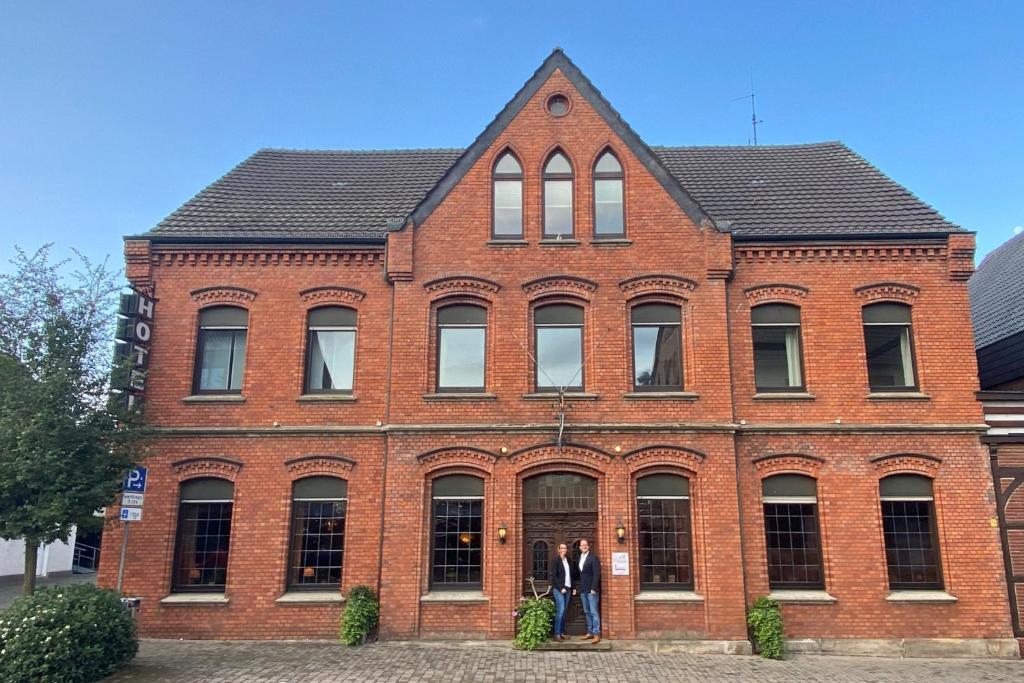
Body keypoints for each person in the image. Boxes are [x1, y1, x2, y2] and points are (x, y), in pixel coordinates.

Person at [549, 542, 578, 641]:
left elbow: (571, 575)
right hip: (559, 589)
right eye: (562, 548)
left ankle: (561, 633)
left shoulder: (568, 560)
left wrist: (573, 587)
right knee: (560, 611)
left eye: (565, 548)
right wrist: (561, 587)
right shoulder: (555, 560)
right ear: (558, 549)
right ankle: (556, 634)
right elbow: (554, 576)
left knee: (564, 611)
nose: (564, 550)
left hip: (568, 588)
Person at [577, 538, 601, 643]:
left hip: (591, 590)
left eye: (585, 545)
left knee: (594, 612)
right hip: (583, 589)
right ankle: (590, 632)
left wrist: (594, 588)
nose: (584, 546)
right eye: (582, 545)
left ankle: (596, 633)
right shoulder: (579, 558)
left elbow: (597, 574)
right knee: (587, 612)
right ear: (580, 547)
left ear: (588, 546)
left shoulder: (593, 558)